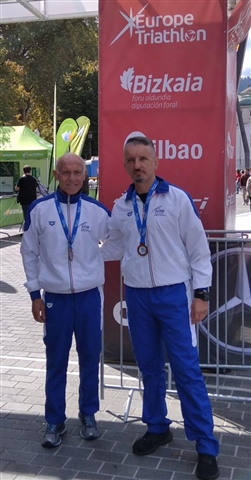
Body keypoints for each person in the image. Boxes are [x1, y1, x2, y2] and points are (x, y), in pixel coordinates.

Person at [101, 136, 219, 480]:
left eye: (143, 159)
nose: (137, 165)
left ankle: (206, 445)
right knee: (149, 368)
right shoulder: (121, 206)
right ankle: (157, 427)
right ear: (125, 165)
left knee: (186, 371)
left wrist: (201, 294)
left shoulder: (177, 199)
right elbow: (113, 247)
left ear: (156, 163)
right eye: (131, 160)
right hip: (137, 297)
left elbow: (198, 250)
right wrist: (76, 246)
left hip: (174, 296)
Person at [20, 153, 110, 448]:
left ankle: (88, 414)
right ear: (56, 176)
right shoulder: (39, 209)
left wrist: (94, 263)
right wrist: (35, 294)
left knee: (89, 358)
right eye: (66, 172)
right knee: (56, 361)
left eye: (77, 172)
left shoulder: (97, 211)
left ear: (85, 176)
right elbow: (28, 253)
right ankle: (55, 419)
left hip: (88, 298)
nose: (72, 178)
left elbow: (117, 241)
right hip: (55, 298)